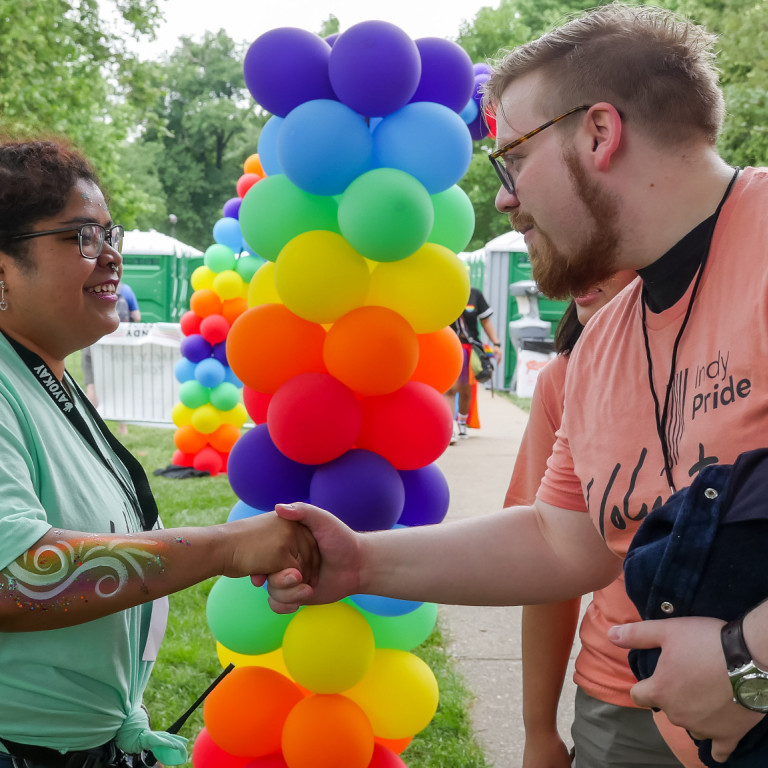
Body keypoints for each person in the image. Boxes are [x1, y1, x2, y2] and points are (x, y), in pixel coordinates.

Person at [266, 5, 768, 766]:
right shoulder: (603, 345)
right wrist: (362, 562)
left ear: (600, 133)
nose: (503, 196)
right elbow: (559, 539)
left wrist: (746, 659)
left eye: (512, 160)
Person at [0, 138, 317, 768]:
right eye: (83, 237)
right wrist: (227, 548)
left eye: (109, 233)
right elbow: (12, 577)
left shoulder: (44, 373)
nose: (113, 256)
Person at [505, 271, 701, 768]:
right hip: (623, 705)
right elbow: (547, 567)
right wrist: (538, 731)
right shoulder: (564, 380)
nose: (577, 269)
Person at [81, 282, 141, 434]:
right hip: (117, 347)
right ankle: (123, 427)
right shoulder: (126, 290)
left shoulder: (88, 287)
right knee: (120, 386)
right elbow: (137, 317)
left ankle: (91, 426)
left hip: (92, 343)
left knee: (92, 385)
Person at [445, 285, 503, 441]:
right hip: (449, 347)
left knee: (466, 390)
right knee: (450, 389)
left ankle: (462, 423)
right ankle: (449, 428)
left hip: (470, 350)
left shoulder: (474, 294)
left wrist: (496, 345)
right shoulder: (443, 293)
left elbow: (486, 322)